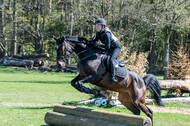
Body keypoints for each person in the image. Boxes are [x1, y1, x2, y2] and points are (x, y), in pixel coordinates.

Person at [90, 18, 122, 83]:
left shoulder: (107, 33)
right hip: (109, 47)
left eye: (98, 26)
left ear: (103, 26)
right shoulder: (98, 33)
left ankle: (113, 77)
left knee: (111, 60)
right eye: (96, 26)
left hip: (115, 48)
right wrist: (89, 42)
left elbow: (107, 46)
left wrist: (98, 45)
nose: (96, 27)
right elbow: (95, 40)